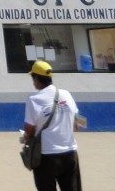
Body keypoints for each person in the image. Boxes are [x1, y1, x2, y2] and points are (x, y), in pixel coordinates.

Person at [23, 61, 82, 191]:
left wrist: (25, 138)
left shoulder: (33, 99)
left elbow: (30, 130)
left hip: (46, 157)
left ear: (36, 78)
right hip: (70, 153)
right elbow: (77, 124)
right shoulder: (66, 94)